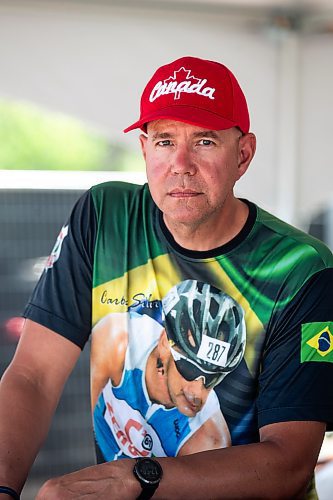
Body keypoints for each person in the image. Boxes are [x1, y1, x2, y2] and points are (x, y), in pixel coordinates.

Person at [0, 55, 332, 500]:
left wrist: (135, 478)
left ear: (244, 154)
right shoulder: (104, 217)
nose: (180, 163)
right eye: (163, 141)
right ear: (143, 150)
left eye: (205, 142)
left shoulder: (300, 268)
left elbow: (289, 462)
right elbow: (33, 376)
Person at [91, 280, 245, 460]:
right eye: (190, 368)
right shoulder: (118, 339)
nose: (197, 392)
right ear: (165, 342)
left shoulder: (209, 440)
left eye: (213, 378)